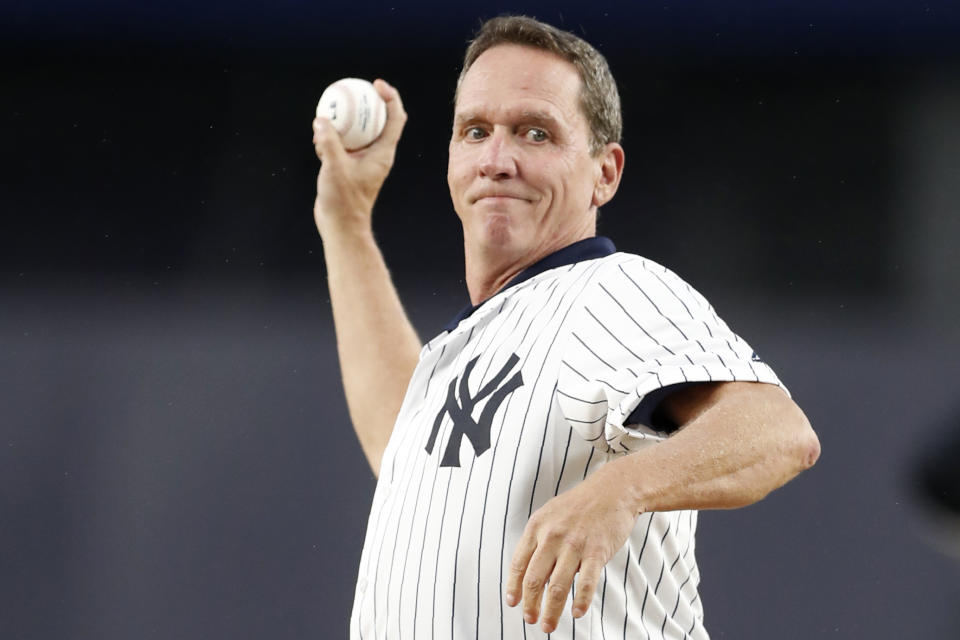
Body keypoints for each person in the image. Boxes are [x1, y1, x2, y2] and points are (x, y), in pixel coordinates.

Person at [312, 15, 820, 640]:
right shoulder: (478, 337)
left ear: (605, 172)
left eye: (534, 133)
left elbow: (777, 431)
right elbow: (401, 449)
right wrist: (345, 220)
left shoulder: (610, 290)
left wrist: (622, 489)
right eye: (475, 131)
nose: (497, 159)